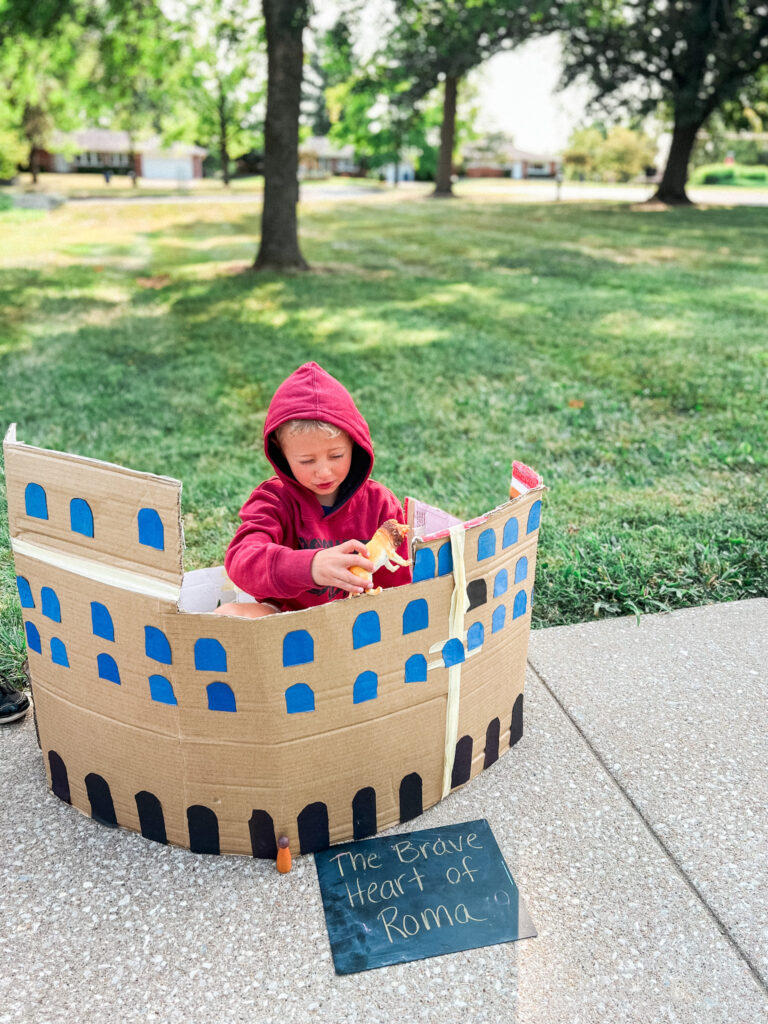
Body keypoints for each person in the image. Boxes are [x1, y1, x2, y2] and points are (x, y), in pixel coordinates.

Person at [217, 362, 411, 618]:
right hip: (285, 618)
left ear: (354, 443)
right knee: (227, 615)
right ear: (281, 452)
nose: (324, 472)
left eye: (336, 455)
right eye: (307, 461)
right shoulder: (272, 500)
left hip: (358, 623)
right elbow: (241, 561)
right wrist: (310, 567)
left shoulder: (381, 504)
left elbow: (398, 587)